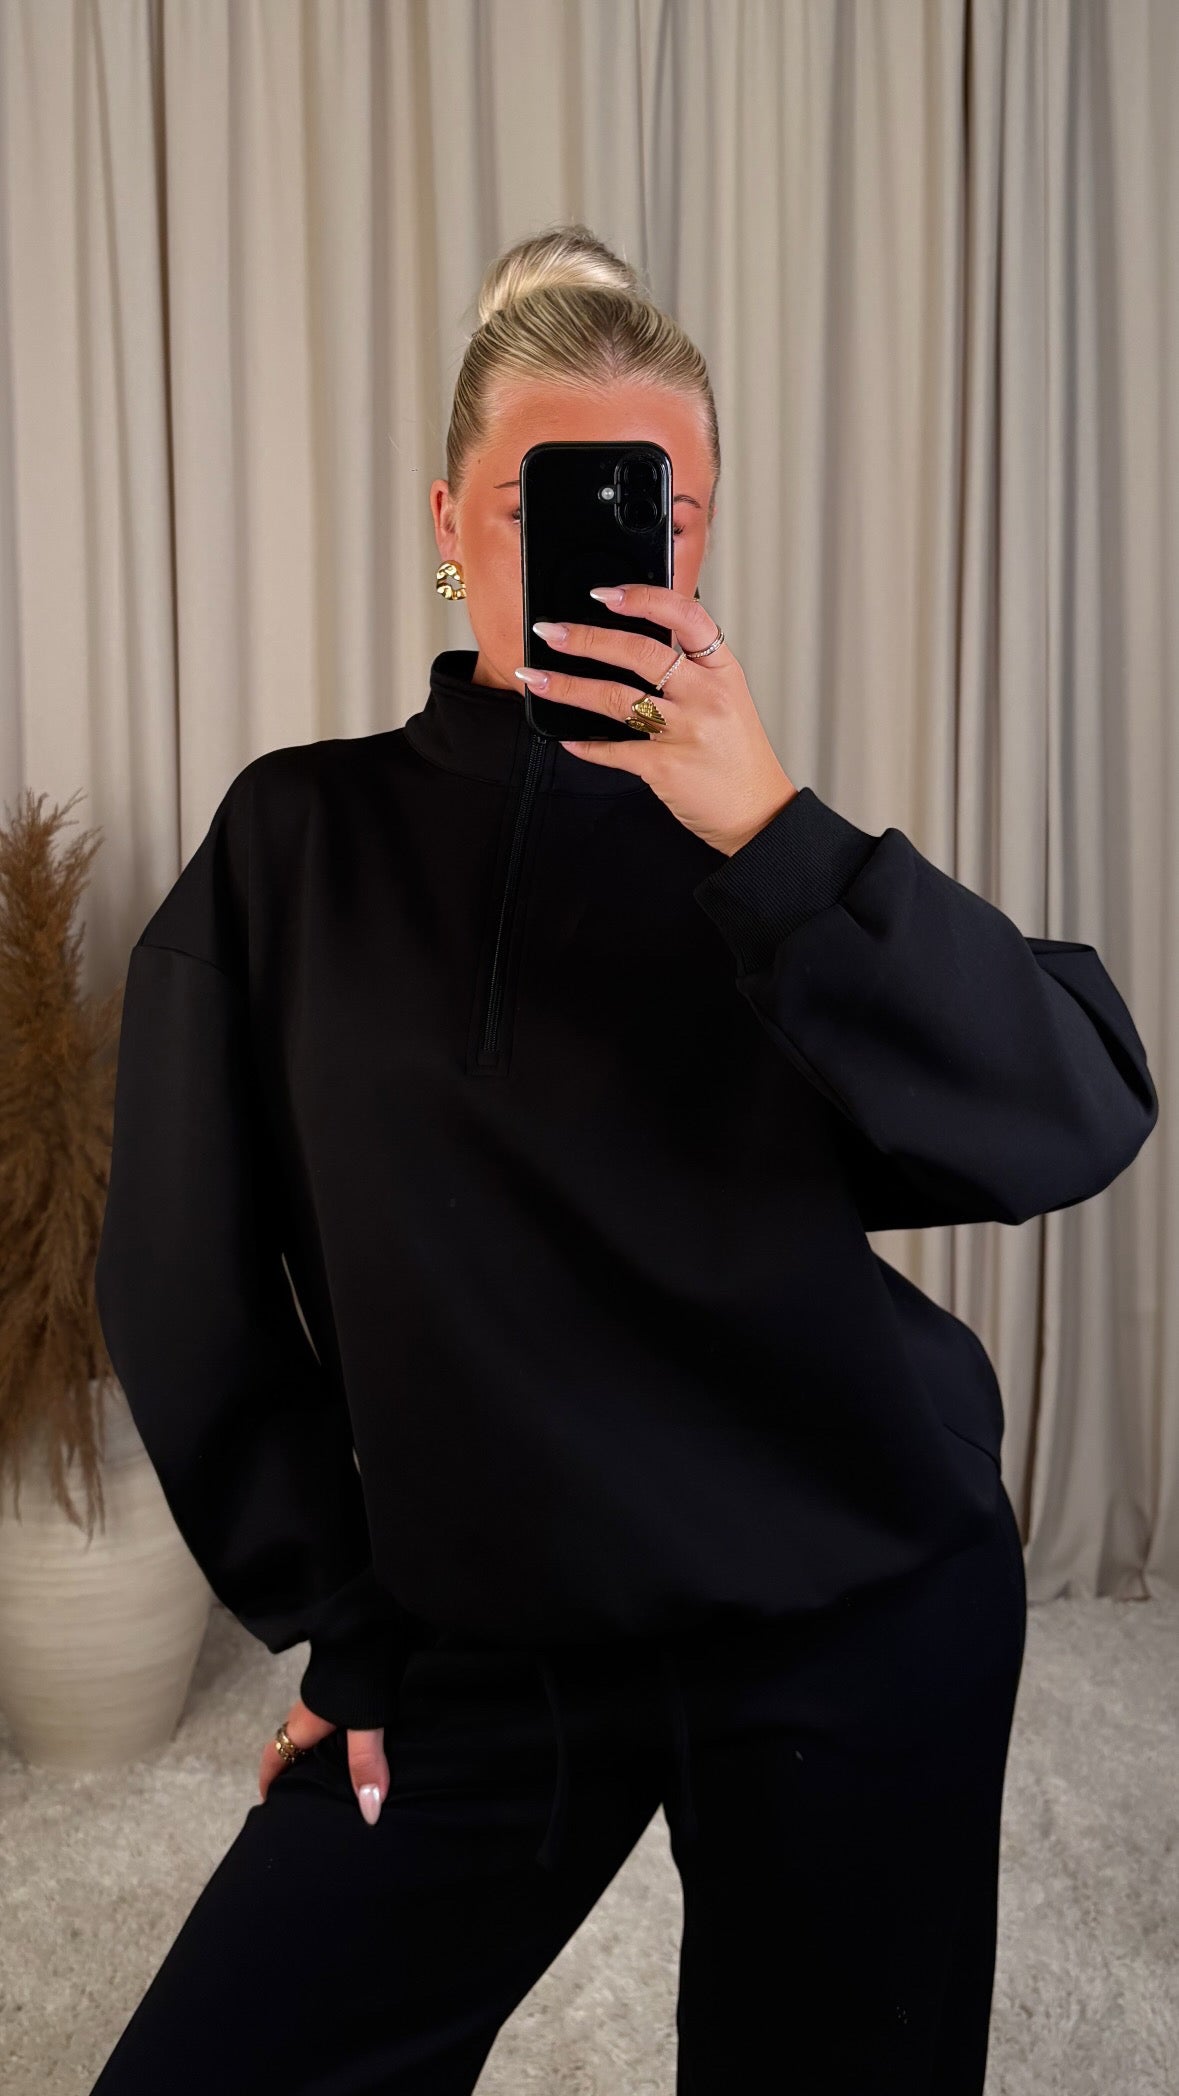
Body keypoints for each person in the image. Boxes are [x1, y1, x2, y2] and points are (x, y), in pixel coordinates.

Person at [89, 223, 1158, 2095]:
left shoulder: (774, 861)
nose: (600, 545)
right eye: (541, 503)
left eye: (656, 506)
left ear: (699, 533)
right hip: (481, 1638)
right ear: (451, 519)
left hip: (855, 1606)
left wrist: (778, 835)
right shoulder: (297, 843)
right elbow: (182, 1274)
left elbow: (1075, 1105)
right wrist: (340, 1622)